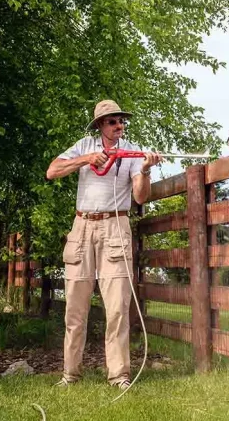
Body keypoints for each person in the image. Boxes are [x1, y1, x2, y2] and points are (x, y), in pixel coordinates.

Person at [46, 100, 161, 389]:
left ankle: (119, 375)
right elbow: (52, 171)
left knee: (118, 308)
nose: (119, 125)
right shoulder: (84, 145)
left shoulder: (133, 153)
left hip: (115, 227)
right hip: (82, 227)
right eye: (112, 121)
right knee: (75, 308)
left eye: (121, 120)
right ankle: (70, 375)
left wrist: (146, 170)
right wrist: (86, 160)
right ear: (100, 125)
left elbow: (140, 197)